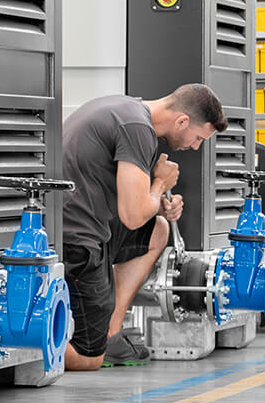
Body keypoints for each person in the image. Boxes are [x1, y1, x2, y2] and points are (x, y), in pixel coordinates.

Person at [60, 84, 228, 370]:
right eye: (198, 137)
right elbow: (133, 216)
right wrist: (161, 184)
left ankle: (110, 332)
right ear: (182, 121)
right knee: (88, 358)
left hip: (77, 226)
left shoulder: (129, 112)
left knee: (158, 229)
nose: (196, 146)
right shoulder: (138, 130)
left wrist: (159, 202)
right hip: (77, 240)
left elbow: (129, 199)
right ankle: (24, 350)